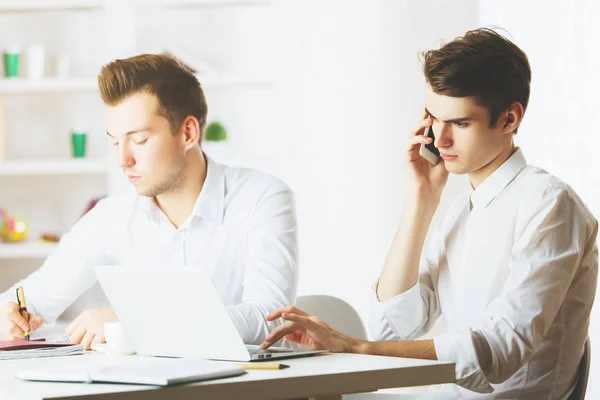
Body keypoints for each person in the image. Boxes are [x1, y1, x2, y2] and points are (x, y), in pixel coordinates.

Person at [260, 28, 598, 399]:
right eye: (433, 118)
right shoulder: (462, 210)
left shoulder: (549, 205)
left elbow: (501, 351)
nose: (440, 138)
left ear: (509, 119)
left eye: (459, 122)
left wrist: (356, 349)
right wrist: (420, 201)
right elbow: (393, 327)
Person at [0, 54, 298, 350]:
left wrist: (132, 322)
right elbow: (31, 299)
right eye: (116, 141)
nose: (122, 160)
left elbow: (271, 319)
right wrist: (10, 314)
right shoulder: (112, 216)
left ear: (188, 133)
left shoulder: (261, 198)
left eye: (140, 140)